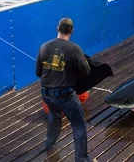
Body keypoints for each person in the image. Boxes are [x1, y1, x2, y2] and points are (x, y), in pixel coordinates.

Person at [36, 17, 91, 162]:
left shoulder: (44, 47)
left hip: (47, 96)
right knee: (79, 126)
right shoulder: (75, 49)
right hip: (66, 97)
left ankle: (48, 143)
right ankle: (82, 159)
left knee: (54, 116)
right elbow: (86, 73)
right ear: (72, 31)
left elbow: (38, 73)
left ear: (57, 28)